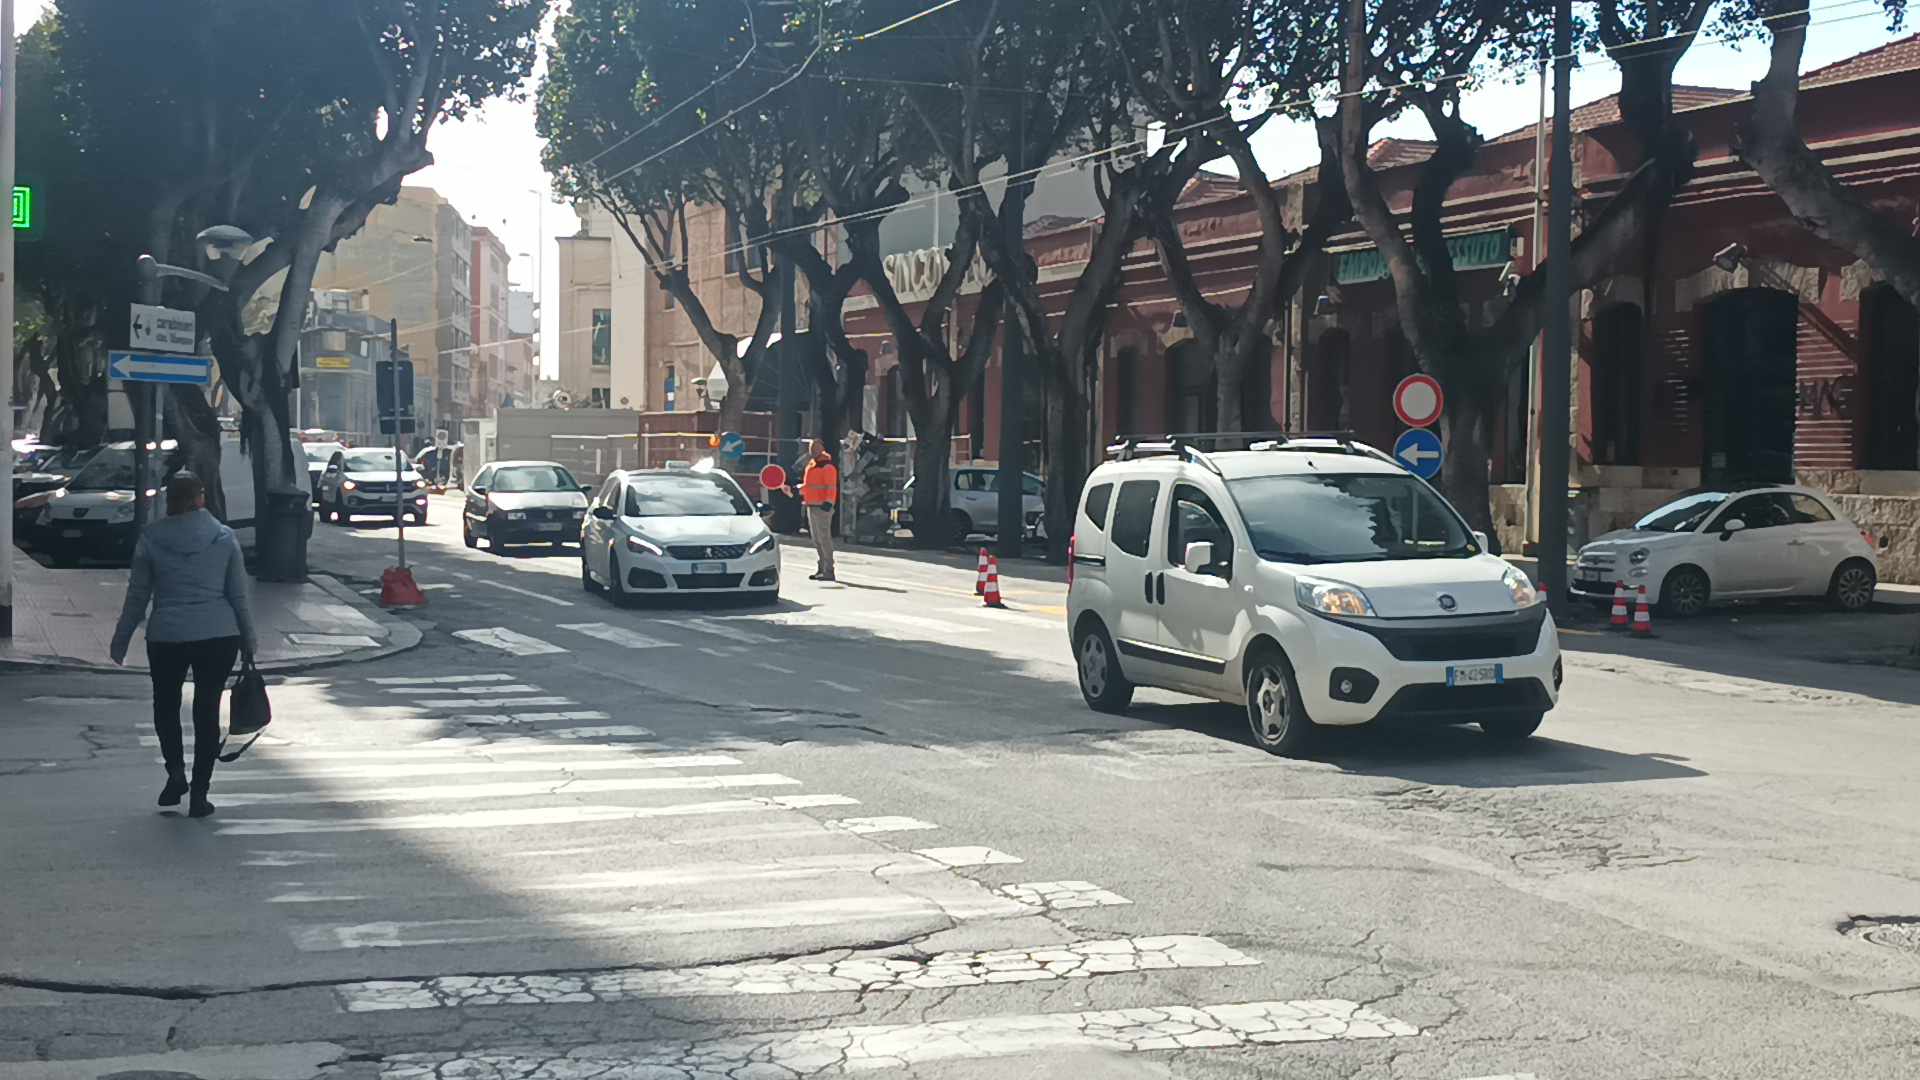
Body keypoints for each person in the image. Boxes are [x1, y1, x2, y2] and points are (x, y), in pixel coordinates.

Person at [109, 472, 257, 819]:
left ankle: (175, 773)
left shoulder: (151, 538)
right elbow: (238, 595)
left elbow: (138, 595)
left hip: (167, 634)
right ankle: (200, 794)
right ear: (201, 497)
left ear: (169, 499)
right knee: (206, 709)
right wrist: (249, 638)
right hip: (218, 634)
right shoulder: (223, 537)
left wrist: (122, 637)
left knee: (165, 705)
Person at [797, 439, 840, 582]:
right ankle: (822, 568)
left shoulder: (827, 467)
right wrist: (797, 490)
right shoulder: (812, 466)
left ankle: (829, 570)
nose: (812, 451)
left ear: (821, 449)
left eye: (815, 448)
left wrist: (829, 502)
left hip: (822, 507)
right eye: (810, 448)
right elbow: (809, 486)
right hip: (811, 505)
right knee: (817, 540)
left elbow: (831, 487)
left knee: (824, 539)